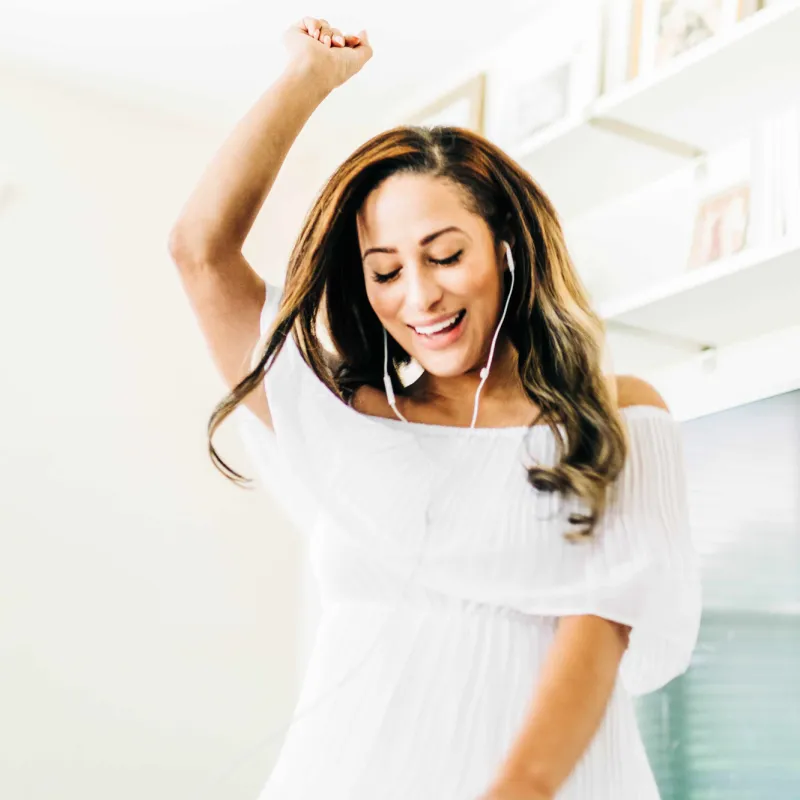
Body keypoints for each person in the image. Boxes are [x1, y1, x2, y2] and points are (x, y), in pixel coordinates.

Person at [168, 15, 703, 800]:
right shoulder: (347, 418)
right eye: (385, 271)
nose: (419, 295)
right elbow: (200, 252)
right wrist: (307, 80)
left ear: (506, 247)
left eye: (446, 255)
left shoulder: (616, 415)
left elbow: (605, 618)